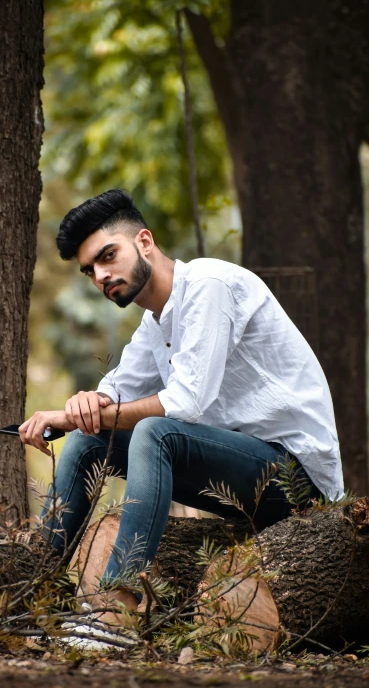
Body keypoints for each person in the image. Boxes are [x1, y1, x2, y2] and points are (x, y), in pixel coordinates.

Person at [19, 189, 343, 623]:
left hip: (298, 482)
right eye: (89, 270)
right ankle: (30, 596)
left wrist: (87, 412)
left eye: (108, 255)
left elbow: (187, 402)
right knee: (85, 441)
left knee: (158, 432)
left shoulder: (209, 286)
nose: (100, 275)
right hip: (241, 475)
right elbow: (112, 394)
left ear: (145, 243)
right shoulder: (155, 324)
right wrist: (76, 408)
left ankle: (117, 609)